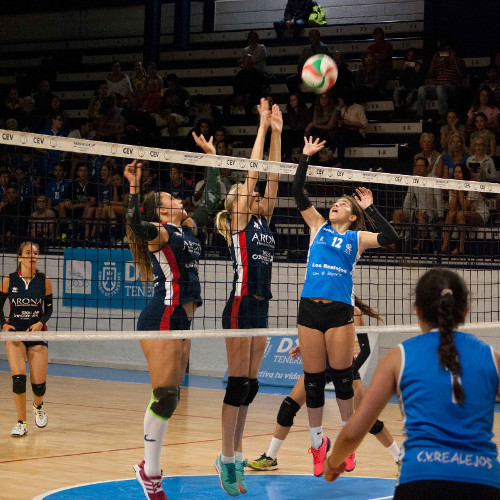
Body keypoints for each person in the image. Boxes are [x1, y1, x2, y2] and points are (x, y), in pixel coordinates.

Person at [325, 268, 500, 499]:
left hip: (419, 480)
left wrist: (333, 462)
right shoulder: (492, 358)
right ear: (465, 310)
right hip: (484, 481)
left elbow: (354, 430)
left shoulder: (398, 358)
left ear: (417, 310)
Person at [292, 138, 398, 476]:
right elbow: (297, 192)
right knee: (312, 382)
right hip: (309, 310)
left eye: (342, 204)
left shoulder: (356, 238)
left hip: (339, 312)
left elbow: (391, 237)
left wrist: (371, 209)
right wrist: (305, 158)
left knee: (343, 381)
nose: (335, 205)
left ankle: (346, 444)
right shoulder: (318, 226)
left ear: (352, 216)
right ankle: (317, 444)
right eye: (335, 202)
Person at [125, 140, 221, 500]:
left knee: (172, 397)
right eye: (171, 198)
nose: (179, 199)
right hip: (162, 315)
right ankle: (150, 472)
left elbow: (212, 199)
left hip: (181, 319)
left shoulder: (188, 228)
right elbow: (135, 222)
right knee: (164, 396)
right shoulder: (160, 232)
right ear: (162, 210)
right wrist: (134, 187)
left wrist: (212, 159)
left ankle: (147, 469)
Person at [214, 99, 281, 497]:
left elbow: (272, 178)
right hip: (239, 305)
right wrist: (260, 126)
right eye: (246, 191)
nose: (253, 193)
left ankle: (237, 454)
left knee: (250, 386)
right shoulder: (240, 221)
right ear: (237, 201)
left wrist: (278, 132)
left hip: (261, 305)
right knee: (237, 384)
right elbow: (255, 173)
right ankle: (225, 458)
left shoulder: (264, 220)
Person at [247, 297, 400, 471]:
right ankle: (271, 457)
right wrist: (303, 348)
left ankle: (399, 457)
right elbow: (320, 338)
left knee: (368, 419)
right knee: (288, 407)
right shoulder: (318, 305)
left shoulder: (354, 312)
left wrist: (348, 373)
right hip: (321, 365)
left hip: (345, 368)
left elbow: (365, 350)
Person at [0, 242, 53, 437]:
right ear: (20, 257)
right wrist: (3, 325)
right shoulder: (9, 280)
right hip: (16, 333)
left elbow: (49, 310)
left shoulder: (44, 280)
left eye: (36, 253)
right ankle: (21, 422)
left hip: (37, 333)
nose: (33, 256)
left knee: (39, 386)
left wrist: (40, 323)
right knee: (19, 378)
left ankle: (38, 406)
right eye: (28, 252)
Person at [441, 165, 489, 255]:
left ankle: (461, 248)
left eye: (459, 172)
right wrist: (455, 193)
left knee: (460, 214)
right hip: (463, 214)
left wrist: (459, 190)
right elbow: (451, 208)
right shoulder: (453, 185)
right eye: (455, 172)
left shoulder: (472, 185)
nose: (457, 174)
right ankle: (445, 246)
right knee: (451, 214)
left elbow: (465, 207)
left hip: (480, 213)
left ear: (464, 174)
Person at [416, 43, 466, 121]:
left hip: (452, 87)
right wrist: (433, 60)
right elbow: (430, 76)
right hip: (438, 87)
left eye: (449, 50)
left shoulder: (459, 61)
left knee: (440, 88)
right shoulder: (438, 62)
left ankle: (443, 115)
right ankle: (420, 116)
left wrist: (453, 60)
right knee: (422, 89)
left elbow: (462, 75)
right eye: (445, 50)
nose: (447, 52)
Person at [286, 29, 331, 93]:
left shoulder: (324, 48)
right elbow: (300, 64)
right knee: (289, 80)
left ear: (319, 37)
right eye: (312, 36)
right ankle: (298, 97)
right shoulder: (306, 49)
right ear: (309, 38)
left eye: (316, 36)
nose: (314, 38)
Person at [392, 48, 424, 117]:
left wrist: (417, 72)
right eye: (409, 56)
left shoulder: (419, 65)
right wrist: (403, 71)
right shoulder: (404, 65)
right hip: (405, 86)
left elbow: (420, 82)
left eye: (412, 56)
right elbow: (401, 81)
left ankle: (401, 110)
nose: (411, 58)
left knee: (411, 94)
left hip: (415, 87)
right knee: (396, 91)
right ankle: (398, 108)